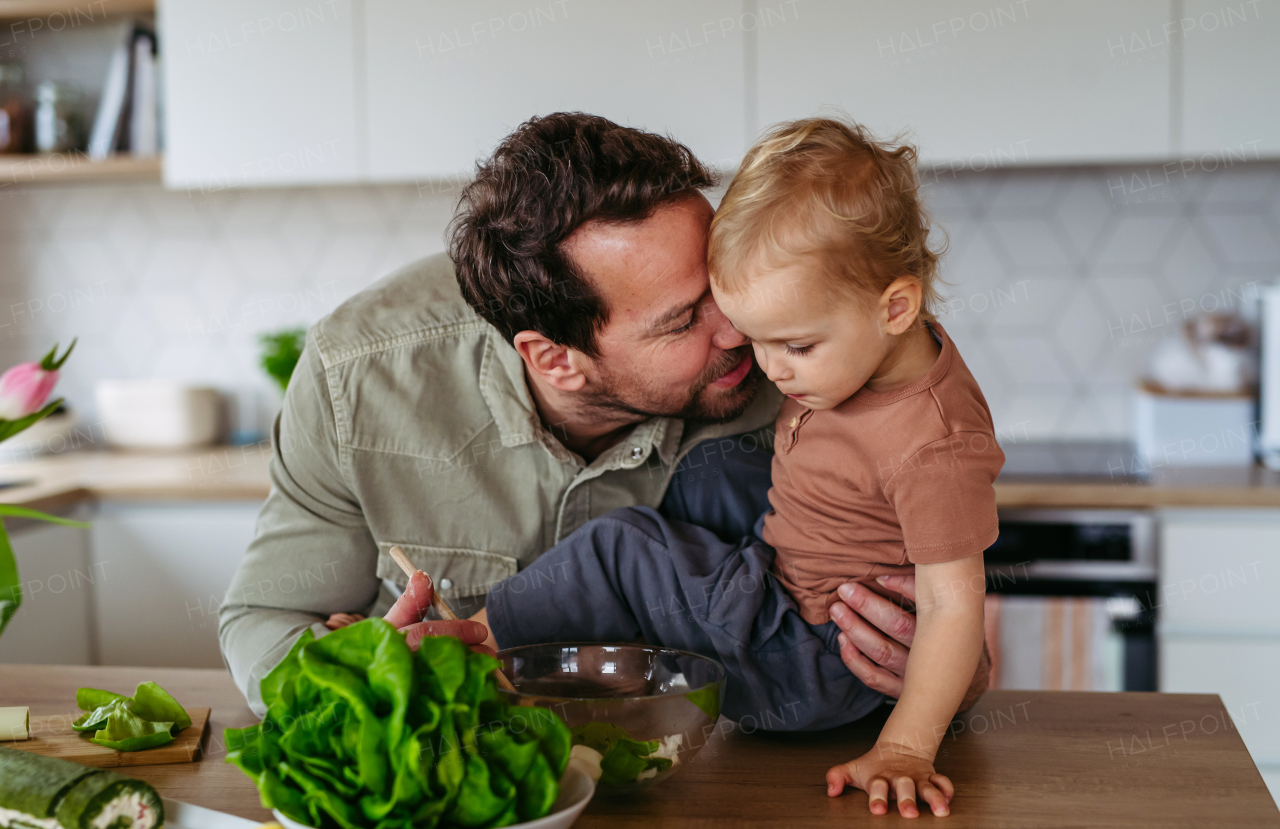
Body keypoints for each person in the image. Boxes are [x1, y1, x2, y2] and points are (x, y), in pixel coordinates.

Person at [219, 111, 988, 717]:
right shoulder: (357, 378)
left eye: (722, 285)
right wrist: (348, 683)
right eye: (686, 320)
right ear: (556, 358)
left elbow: (933, 570)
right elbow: (264, 615)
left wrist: (949, 669)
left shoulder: (803, 364)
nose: (741, 336)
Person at [463, 119, 1004, 818]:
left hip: (813, 660)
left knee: (624, 547)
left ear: (896, 306)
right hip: (792, 574)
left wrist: (907, 744)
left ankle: (472, 641)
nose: (768, 367)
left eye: (795, 345)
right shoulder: (861, 330)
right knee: (716, 468)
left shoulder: (935, 446)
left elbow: (952, 605)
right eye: (692, 319)